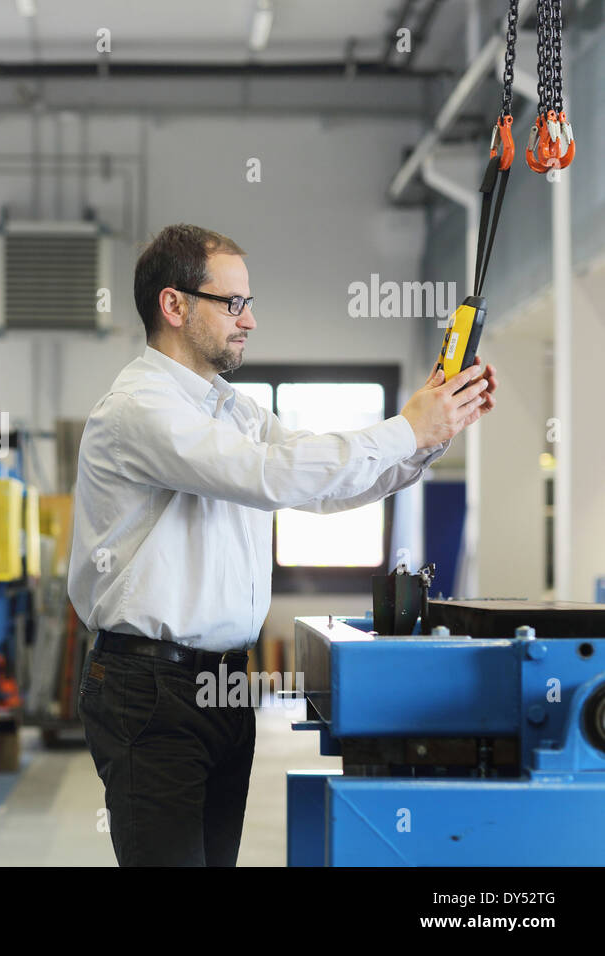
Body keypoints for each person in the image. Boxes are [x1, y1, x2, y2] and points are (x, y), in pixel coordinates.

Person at [67, 223, 497, 866]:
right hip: (150, 686)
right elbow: (269, 475)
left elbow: (317, 485)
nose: (250, 320)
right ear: (174, 305)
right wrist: (405, 429)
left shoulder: (232, 410)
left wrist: (430, 435)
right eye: (233, 303)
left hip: (221, 685)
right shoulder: (140, 408)